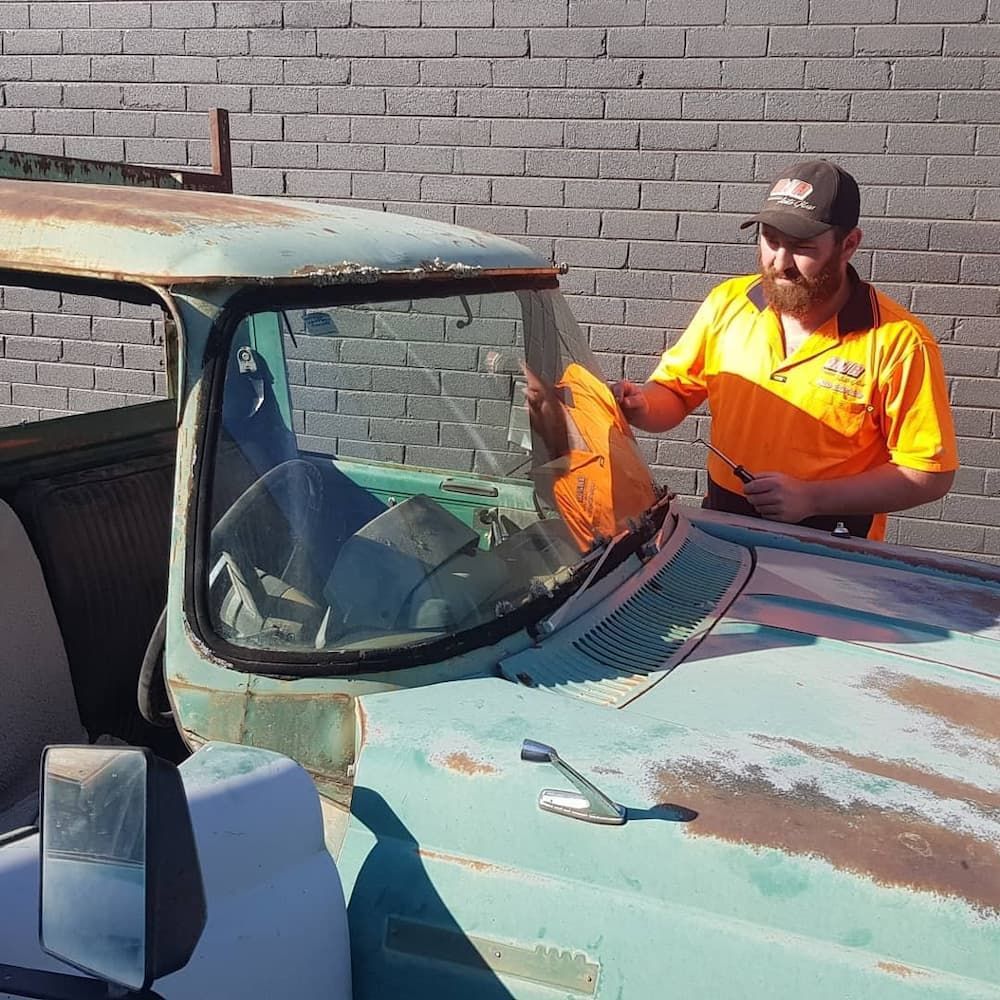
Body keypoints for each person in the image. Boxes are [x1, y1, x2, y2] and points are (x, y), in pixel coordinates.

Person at [614, 159, 958, 541]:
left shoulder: (899, 342)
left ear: (849, 244)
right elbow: (675, 393)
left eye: (801, 247)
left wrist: (813, 498)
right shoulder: (728, 304)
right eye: (771, 241)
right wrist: (642, 406)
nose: (780, 262)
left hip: (831, 546)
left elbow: (929, 473)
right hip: (722, 529)